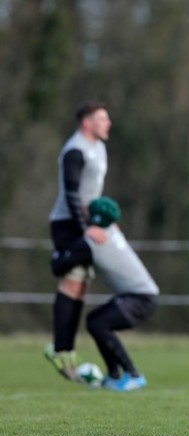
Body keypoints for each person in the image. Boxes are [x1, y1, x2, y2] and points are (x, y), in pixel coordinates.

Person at [49, 196, 158, 391]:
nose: (84, 212)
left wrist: (58, 252)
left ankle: (133, 374)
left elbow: (57, 268)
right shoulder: (113, 230)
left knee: (98, 323)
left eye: (89, 211)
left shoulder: (91, 242)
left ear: (96, 219)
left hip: (141, 298)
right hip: (142, 295)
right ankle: (114, 374)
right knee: (95, 321)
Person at [44, 102, 112, 380]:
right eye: (102, 118)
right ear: (87, 123)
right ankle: (59, 350)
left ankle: (68, 349)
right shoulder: (75, 149)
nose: (108, 123)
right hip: (68, 225)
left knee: (82, 285)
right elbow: (72, 195)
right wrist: (85, 228)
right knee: (70, 283)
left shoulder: (99, 147)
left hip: (85, 226)